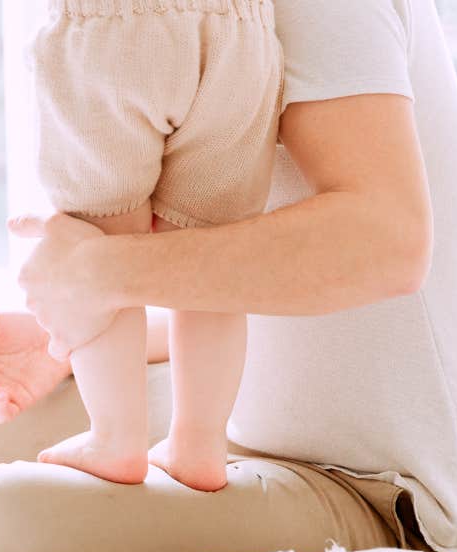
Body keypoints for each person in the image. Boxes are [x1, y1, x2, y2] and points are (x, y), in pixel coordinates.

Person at [0, 0, 457, 552]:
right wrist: (75, 330)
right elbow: (234, 271)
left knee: (13, 521)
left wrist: (100, 272)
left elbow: (388, 245)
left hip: (385, 485)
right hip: (245, 408)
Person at [21, 0, 284, 491]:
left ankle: (114, 439)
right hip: (240, 32)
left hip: (111, 25)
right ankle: (200, 444)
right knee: (211, 259)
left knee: (101, 246)